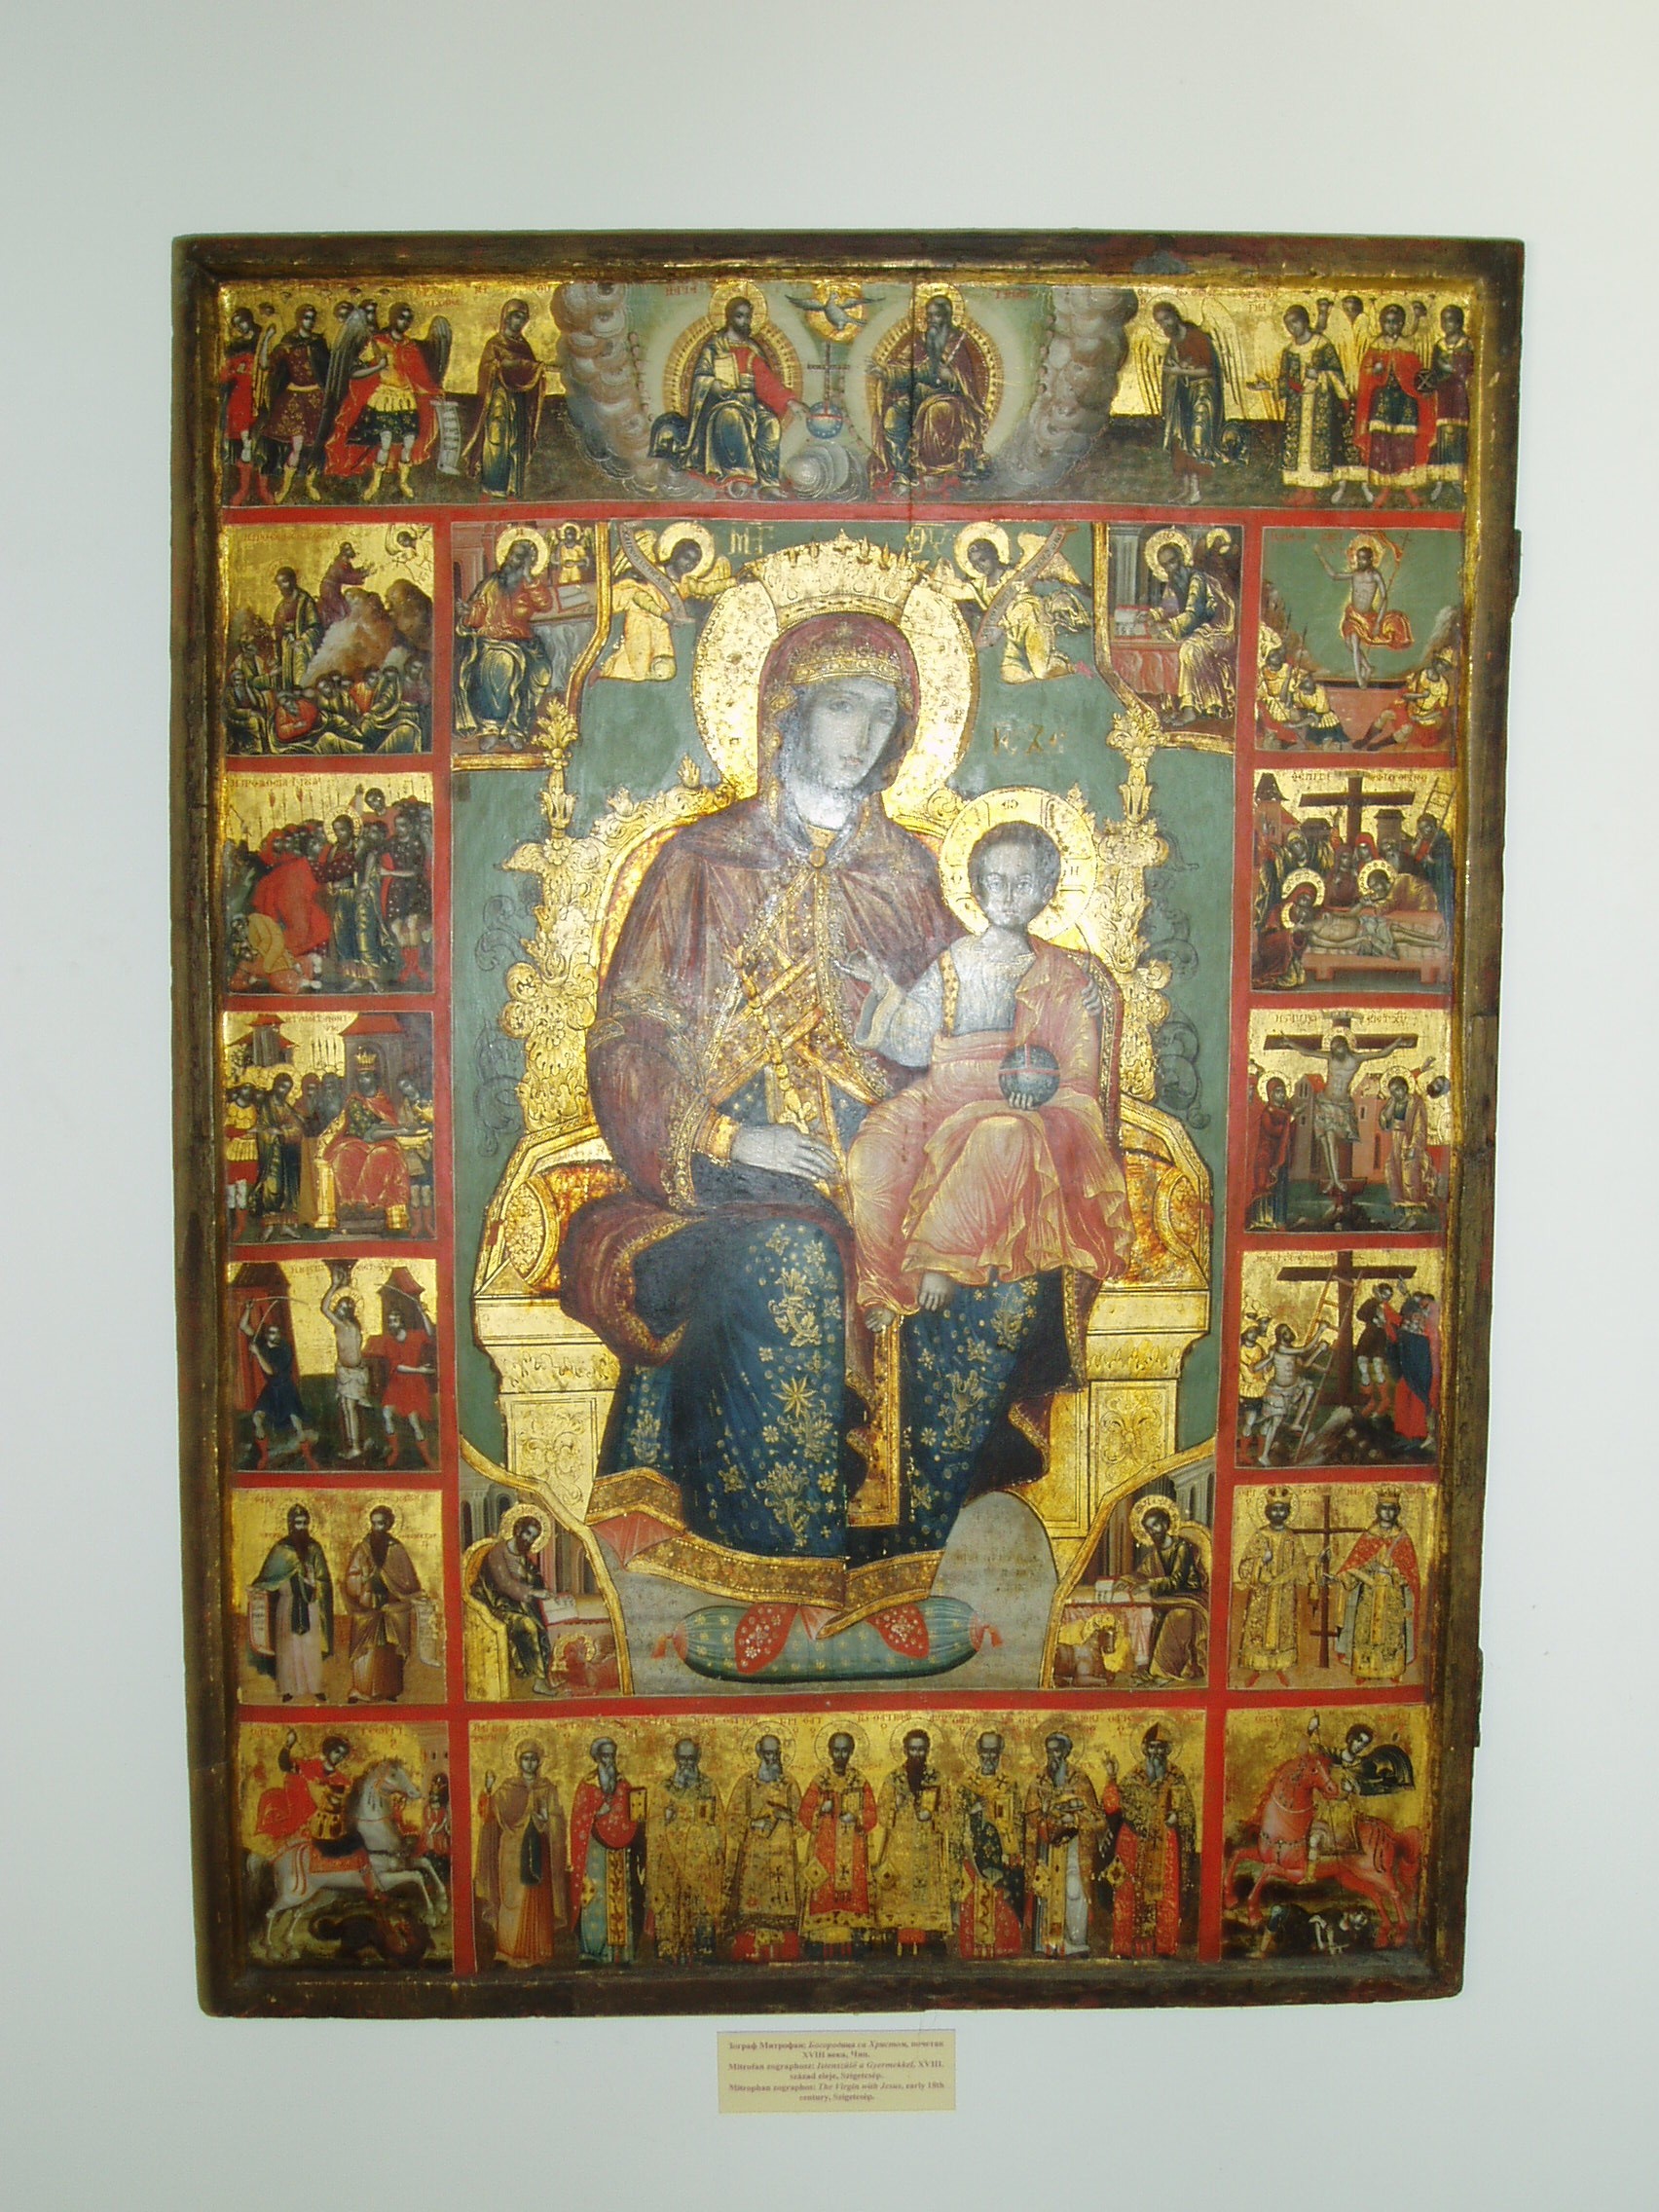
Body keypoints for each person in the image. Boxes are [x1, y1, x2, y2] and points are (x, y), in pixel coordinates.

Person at [561, 612, 1101, 1625]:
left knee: (990, 1272)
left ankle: (901, 1562)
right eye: (843, 706)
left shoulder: (905, 874)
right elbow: (628, 1039)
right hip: (730, 1181)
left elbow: (963, 1011)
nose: (863, 734)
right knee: (797, 1261)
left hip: (891, 1161)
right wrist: (730, 1137)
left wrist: (1035, 1041)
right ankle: (781, 1573)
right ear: (789, 711)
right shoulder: (701, 863)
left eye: (884, 714)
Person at [842, 819, 1129, 1326]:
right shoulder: (955, 961)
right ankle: (888, 1287)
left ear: (1047, 891)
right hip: (943, 1095)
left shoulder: (1063, 974)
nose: (1009, 896)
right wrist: (883, 990)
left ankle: (941, 1260)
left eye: (1024, 883)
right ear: (976, 887)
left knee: (999, 1136)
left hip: (1022, 1105)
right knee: (875, 1148)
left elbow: (1078, 1073)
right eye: (997, 881)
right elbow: (913, 1043)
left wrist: (1043, 1086)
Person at [649, 293, 799, 492]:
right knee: (731, 417)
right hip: (720, 404)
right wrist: (713, 384)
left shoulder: (751, 347)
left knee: (770, 423)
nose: (745, 321)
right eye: (739, 316)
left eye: (748, 316)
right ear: (729, 317)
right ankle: (739, 477)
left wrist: (790, 402)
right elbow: (701, 377)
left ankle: (768, 483)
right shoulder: (714, 347)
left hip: (750, 404)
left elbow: (766, 382)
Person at [324, 301, 445, 500]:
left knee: (408, 442)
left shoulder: (410, 346)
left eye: (409, 319)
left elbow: (419, 376)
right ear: (392, 318)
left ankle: (403, 482)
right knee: (385, 442)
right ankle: (375, 483)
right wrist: (378, 367)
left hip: (406, 400)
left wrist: (434, 391)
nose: (405, 322)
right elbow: (354, 372)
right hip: (384, 399)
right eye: (401, 317)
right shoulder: (378, 342)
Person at [873, 292, 990, 488]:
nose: (931, 320)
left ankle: (936, 470)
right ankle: (904, 471)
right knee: (893, 415)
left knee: (937, 411)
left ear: (948, 317)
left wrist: (951, 376)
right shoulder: (920, 341)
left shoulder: (957, 344)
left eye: (936, 315)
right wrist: (887, 373)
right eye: (929, 315)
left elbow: (967, 384)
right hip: (919, 396)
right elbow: (908, 369)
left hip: (951, 399)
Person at [1101, 1725, 1197, 1958]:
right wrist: (1112, 1777)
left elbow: (1187, 1812)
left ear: (1168, 1750)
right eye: (1152, 1747)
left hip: (1165, 1843)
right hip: (1133, 1843)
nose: (1156, 1753)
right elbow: (1112, 1806)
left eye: (1161, 1748)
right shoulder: (1133, 1777)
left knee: (1165, 1893)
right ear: (1144, 1749)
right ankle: (1126, 1946)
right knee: (1127, 1891)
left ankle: (1163, 1946)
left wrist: (1177, 1817)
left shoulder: (1176, 1777)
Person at [454, 535, 557, 746]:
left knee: (542, 670)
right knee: (502, 664)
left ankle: (516, 728)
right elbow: (479, 610)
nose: (510, 560)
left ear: (527, 562)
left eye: (518, 557)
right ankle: (491, 727)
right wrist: (468, 612)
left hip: (523, 642)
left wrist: (529, 578)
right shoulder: (492, 582)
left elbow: (545, 605)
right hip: (492, 641)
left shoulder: (530, 585)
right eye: (510, 554)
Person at [477, 1742, 568, 1967]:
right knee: (512, 1899)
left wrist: (547, 1821)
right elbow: (490, 1815)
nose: (530, 1763)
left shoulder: (547, 1789)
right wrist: (488, 1790)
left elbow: (557, 1821)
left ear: (539, 1761)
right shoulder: (508, 1788)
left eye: (534, 1759)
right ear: (519, 1761)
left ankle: (538, 1951)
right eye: (526, 1759)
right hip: (512, 1852)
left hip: (539, 1852)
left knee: (537, 1899)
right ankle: (508, 1950)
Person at [1252, 305, 1350, 504]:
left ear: (1305, 321)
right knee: (1296, 447)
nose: (1292, 328)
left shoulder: (1322, 344)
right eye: (1288, 324)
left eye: (1295, 322)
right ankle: (1300, 489)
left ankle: (1312, 492)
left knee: (1315, 446)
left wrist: (1319, 375)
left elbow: (1338, 375)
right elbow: (1286, 380)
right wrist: (1268, 385)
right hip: (1297, 406)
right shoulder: (1289, 351)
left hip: (1320, 405)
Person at [1023, 1731, 1102, 1958]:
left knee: (1074, 1888)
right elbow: (1030, 1816)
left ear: (1067, 1752)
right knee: (1044, 1888)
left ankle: (1075, 1941)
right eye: (1049, 1751)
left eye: (1057, 1750)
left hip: (1074, 1847)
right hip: (1047, 1848)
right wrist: (1043, 1817)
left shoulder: (1080, 1779)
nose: (1053, 1756)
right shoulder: (1039, 1780)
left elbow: (1095, 1818)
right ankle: (1047, 1943)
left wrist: (1074, 1819)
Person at [724, 1736, 803, 1964]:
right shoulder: (747, 1783)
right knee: (752, 1905)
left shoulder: (789, 1783)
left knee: (783, 1903)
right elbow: (732, 1819)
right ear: (759, 1753)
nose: (772, 1758)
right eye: (768, 1754)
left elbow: (803, 1821)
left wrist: (787, 1816)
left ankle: (785, 1953)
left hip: (782, 1856)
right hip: (754, 1856)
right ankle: (749, 1952)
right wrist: (754, 1823)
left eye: (775, 1753)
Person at [873, 1730, 953, 1955]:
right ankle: (895, 1942)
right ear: (905, 1750)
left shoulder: (938, 1779)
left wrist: (933, 1816)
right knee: (896, 1895)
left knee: (926, 1897)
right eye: (912, 1749)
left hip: (927, 1852)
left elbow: (948, 1814)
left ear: (927, 1751)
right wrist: (895, 1807)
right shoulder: (894, 1779)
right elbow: (881, 1815)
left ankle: (929, 1942)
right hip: (899, 1851)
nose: (916, 1754)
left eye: (921, 1749)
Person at [798, 1732, 878, 1957]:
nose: (840, 1755)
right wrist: (820, 1809)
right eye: (836, 1750)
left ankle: (856, 1942)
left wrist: (856, 1817)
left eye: (845, 1750)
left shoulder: (859, 1781)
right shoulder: (820, 1781)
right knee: (822, 1890)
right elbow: (804, 1814)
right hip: (825, 1849)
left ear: (851, 1752)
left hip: (853, 1850)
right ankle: (818, 1942)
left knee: (855, 1891)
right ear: (830, 1751)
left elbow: (872, 1815)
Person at [647, 1739, 724, 1964]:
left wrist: (711, 1842)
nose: (686, 1764)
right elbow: (652, 1827)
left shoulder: (708, 1786)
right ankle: (669, 1951)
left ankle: (702, 1950)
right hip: (670, 1861)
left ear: (698, 1758)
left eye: (691, 1759)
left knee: (700, 1903)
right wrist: (664, 1820)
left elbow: (719, 1824)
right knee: (670, 1902)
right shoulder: (664, 1789)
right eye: (682, 1758)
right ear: (676, 1758)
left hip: (699, 1861)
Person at [461, 298, 547, 499]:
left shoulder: (524, 347)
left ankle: (512, 488)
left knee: (516, 442)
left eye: (524, 318)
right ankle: (492, 486)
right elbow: (487, 369)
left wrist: (534, 369)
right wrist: (501, 366)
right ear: (506, 318)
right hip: (498, 403)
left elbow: (528, 370)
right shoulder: (495, 344)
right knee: (496, 441)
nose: (520, 322)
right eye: (516, 316)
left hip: (519, 402)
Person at [1149, 533, 1236, 723]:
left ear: (1181, 558)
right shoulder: (1174, 582)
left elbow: (1195, 615)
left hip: (1218, 631)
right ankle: (1171, 706)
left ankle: (1190, 710)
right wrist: (1153, 615)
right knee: (1165, 649)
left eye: (1172, 562)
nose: (1170, 568)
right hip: (1197, 630)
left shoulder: (1197, 579)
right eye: (1165, 565)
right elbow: (1168, 608)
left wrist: (1167, 624)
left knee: (1189, 650)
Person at [248, 1504, 334, 1701]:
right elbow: (268, 1577)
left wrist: (313, 1584)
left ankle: (314, 1687)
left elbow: (324, 1580)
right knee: (288, 1648)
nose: (301, 1527)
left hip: (310, 1605)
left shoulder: (314, 1548)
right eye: (297, 1523)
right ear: (290, 1524)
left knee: (309, 1648)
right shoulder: (281, 1550)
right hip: (287, 1605)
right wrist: (263, 1586)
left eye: (304, 1523)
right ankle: (288, 1689)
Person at [1334, 1492, 1421, 1683]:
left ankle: (1392, 1670)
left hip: (1392, 1594)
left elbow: (1410, 1572)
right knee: (1364, 1631)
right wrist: (1365, 1574)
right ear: (1377, 1510)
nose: (1387, 1513)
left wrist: (1392, 1572)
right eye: (1384, 1508)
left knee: (1392, 1633)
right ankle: (1363, 1670)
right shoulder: (1369, 1537)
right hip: (1369, 1593)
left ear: (1397, 1511)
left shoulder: (1402, 1539)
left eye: (1391, 1509)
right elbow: (1354, 1564)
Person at [570, 1739, 644, 1965]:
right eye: (604, 1756)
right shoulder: (587, 1785)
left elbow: (634, 1815)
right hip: (594, 1851)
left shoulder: (623, 1784)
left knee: (620, 1895)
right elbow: (577, 1819)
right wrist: (596, 1814)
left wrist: (637, 1822)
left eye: (612, 1755)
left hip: (619, 1852)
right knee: (593, 1895)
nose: (609, 1760)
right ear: (596, 1758)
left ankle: (619, 1952)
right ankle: (593, 1950)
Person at [322, 1053, 413, 1234]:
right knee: (344, 1155)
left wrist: (393, 1129)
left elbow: (386, 1124)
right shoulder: (355, 1102)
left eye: (367, 1076)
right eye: (360, 1077)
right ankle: (350, 1204)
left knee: (383, 1154)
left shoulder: (383, 1099)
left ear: (374, 1078)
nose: (363, 1081)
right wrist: (399, 1131)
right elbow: (368, 1133)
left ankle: (366, 1203)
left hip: (383, 1144)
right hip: (357, 1141)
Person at [342, 1505, 424, 1702]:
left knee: (388, 1649)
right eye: (374, 1523)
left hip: (390, 1605)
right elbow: (351, 1576)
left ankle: (389, 1690)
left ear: (388, 1524)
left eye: (381, 1523)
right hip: (367, 1604)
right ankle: (361, 1689)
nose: (377, 1528)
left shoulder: (396, 1549)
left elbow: (407, 1579)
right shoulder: (362, 1549)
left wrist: (395, 1588)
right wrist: (362, 1579)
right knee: (366, 1649)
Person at [1352, 306, 1433, 506]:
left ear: (1402, 323)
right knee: (1382, 443)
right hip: (1383, 400)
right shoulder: (1376, 346)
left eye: (1395, 322)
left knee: (1405, 443)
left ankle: (1408, 488)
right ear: (1381, 323)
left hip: (1406, 401)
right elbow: (1366, 373)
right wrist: (1375, 371)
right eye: (1387, 322)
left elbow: (1418, 374)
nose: (1391, 326)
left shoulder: (1408, 347)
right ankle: (1384, 488)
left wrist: (1420, 387)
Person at [953, 1732, 1024, 1959]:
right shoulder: (967, 1785)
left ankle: (1002, 1949)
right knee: (972, 1900)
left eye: (994, 1751)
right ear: (978, 1751)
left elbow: (1017, 1821)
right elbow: (954, 1820)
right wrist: (972, 1811)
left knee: (1000, 1899)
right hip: (972, 1856)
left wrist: (1013, 1851)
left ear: (1000, 1752)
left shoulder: (1009, 1785)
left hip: (1000, 1856)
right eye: (985, 1751)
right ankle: (972, 1949)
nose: (990, 1757)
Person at [1235, 1491, 1315, 1685]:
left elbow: (1300, 1565)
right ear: (1267, 1511)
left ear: (1288, 1512)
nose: (1278, 1513)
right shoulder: (1259, 1536)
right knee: (1258, 1629)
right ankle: (1257, 1668)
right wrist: (1261, 1562)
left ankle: (1280, 1667)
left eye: (1282, 1509)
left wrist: (1312, 1564)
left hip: (1284, 1593)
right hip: (1262, 1593)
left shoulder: (1292, 1538)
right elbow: (1244, 1566)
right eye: (1274, 1509)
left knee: (1283, 1629)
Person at [471, 1513, 557, 1693]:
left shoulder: (523, 1557)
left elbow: (535, 1579)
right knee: (528, 1625)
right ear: (517, 1530)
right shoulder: (497, 1554)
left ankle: (541, 1674)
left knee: (539, 1623)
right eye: (527, 1534)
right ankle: (538, 1680)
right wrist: (533, 1592)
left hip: (516, 1605)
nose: (529, 1540)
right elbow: (505, 1585)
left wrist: (535, 1583)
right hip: (495, 1606)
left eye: (533, 1538)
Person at [1152, 301, 1224, 504]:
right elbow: (1174, 368)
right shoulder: (1174, 343)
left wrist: (1179, 371)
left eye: (1167, 319)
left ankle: (1196, 491)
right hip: (1182, 395)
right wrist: (1177, 371)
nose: (1165, 325)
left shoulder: (1196, 337)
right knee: (1179, 440)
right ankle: (1185, 489)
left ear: (1176, 316)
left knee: (1195, 440)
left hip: (1201, 395)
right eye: (1160, 322)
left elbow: (1207, 370)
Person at [1129, 1503, 1208, 1681]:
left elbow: (1177, 1580)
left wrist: (1148, 1585)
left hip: (1190, 1597)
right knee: (1146, 1614)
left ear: (1165, 1524)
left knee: (1178, 1615)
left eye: (1155, 1525)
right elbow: (1142, 1574)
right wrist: (1127, 1580)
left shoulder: (1181, 1548)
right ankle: (1147, 1667)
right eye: (1148, 1528)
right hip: (1169, 1598)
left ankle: (1163, 1671)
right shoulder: (1155, 1554)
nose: (1152, 1532)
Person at [1317, 535, 1411, 685]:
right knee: (1350, 642)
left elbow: (1384, 598)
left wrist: (1379, 622)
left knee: (1354, 642)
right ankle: (1366, 667)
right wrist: (1321, 556)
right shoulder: (1355, 574)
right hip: (1353, 614)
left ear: (1371, 559)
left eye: (1364, 559)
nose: (1360, 562)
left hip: (1368, 616)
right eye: (1359, 559)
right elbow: (1334, 575)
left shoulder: (1375, 575)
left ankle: (1360, 677)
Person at [365, 1274, 436, 1468]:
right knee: (386, 1413)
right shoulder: (389, 1341)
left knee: (414, 1421)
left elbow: (430, 1333)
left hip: (412, 1385)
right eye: (390, 1321)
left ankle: (427, 1457)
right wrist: (420, 1369)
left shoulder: (414, 1336)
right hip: (397, 1383)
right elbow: (398, 1367)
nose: (391, 1324)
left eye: (395, 1320)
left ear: (401, 1322)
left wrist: (422, 1313)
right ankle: (395, 1451)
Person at [263, 305, 330, 502]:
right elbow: (266, 364)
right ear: (299, 319)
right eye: (306, 317)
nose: (310, 321)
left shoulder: (318, 343)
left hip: (316, 398)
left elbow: (329, 368)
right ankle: (286, 487)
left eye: (312, 318)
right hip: (295, 399)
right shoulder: (287, 344)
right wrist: (266, 339)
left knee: (316, 447)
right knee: (297, 446)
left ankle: (310, 484)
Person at [240, 1309, 317, 1468]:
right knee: (257, 1418)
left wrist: (257, 1354)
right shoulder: (262, 1342)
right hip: (272, 1389)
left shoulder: (284, 1349)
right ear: (267, 1334)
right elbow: (243, 1326)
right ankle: (264, 1457)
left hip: (285, 1388)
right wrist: (248, 1309)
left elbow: (270, 1371)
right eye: (272, 1333)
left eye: (276, 1333)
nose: (275, 1336)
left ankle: (308, 1458)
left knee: (296, 1423)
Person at [1246, 1320, 1332, 1465]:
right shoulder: (1279, 1348)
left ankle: (1296, 1423)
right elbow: (1305, 1349)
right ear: (1280, 1336)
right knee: (1275, 1422)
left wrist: (1318, 1351)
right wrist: (1320, 1330)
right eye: (1285, 1332)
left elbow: (1305, 1364)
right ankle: (1264, 1455)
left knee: (1309, 1389)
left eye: (1288, 1331)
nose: (1289, 1334)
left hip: (1293, 1385)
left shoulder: (1291, 1350)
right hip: (1279, 1390)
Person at [1420, 305, 1473, 502]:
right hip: (1443, 394)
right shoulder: (1439, 345)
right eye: (1443, 320)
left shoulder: (1466, 343)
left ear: (1459, 322)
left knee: (1458, 433)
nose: (1446, 324)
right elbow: (1434, 371)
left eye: (1450, 320)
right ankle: (1441, 480)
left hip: (1460, 395)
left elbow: (1466, 368)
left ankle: (1458, 479)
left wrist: (1451, 366)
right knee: (1442, 433)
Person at [220, 307, 272, 506]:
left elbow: (269, 364)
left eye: (243, 321)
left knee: (263, 442)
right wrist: (236, 371)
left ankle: (263, 489)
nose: (241, 327)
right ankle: (243, 489)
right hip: (243, 393)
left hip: (263, 391)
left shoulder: (262, 338)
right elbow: (223, 375)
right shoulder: (236, 346)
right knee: (243, 433)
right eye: (237, 324)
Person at [320, 1269, 373, 1459]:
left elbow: (324, 1309)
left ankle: (355, 1447)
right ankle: (355, 1444)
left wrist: (334, 1285)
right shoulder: (352, 1326)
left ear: (347, 1311)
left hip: (352, 1373)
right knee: (347, 1406)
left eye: (342, 1307)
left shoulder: (343, 1326)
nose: (337, 1310)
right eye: (339, 1307)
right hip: (348, 1372)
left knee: (349, 1408)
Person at [1376, 1071, 1440, 1223]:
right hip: (1396, 1141)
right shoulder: (1393, 1102)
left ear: (1404, 1088)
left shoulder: (1415, 1103)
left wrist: (1414, 1147)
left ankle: (1415, 1214)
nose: (1395, 1093)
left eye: (1397, 1090)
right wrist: (1392, 1102)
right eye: (1392, 1091)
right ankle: (1404, 1214)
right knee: (1393, 1173)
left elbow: (1419, 1126)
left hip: (1409, 1141)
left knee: (1409, 1176)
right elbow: (1385, 1121)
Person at [1257, 646, 1345, 746]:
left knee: (1325, 742)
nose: (1273, 668)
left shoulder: (1318, 692)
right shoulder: (1297, 689)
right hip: (1283, 706)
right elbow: (1285, 699)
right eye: (1272, 664)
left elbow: (1316, 716)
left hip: (1322, 722)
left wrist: (1294, 724)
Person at [1245, 1073, 1296, 1230]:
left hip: (1281, 1156)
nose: (1282, 1094)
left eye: (1283, 1091)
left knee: (1282, 1188)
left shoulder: (1286, 1112)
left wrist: (1290, 1121)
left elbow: (1289, 1135)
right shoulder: (1267, 1113)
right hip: (1267, 1157)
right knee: (1267, 1187)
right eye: (1278, 1091)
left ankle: (1280, 1220)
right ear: (1270, 1093)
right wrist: (1288, 1122)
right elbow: (1272, 1130)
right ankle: (1263, 1220)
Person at [271, 568, 324, 691]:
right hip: (287, 650)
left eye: (285, 582)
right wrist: (278, 660)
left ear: (293, 581)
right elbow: (277, 635)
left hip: (302, 650)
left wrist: (303, 640)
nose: (282, 587)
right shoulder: (281, 607)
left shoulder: (305, 601)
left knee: (301, 683)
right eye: (279, 584)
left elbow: (316, 627)